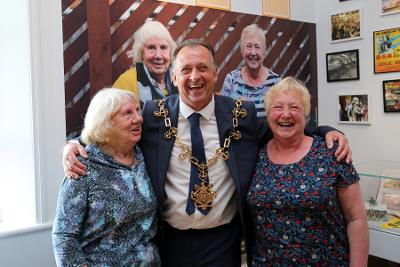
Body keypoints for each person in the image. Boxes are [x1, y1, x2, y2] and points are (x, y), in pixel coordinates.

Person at [63, 39, 352, 267]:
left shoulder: (242, 115)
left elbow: (284, 128)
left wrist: (325, 130)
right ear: (174, 77)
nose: (194, 76)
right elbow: (109, 129)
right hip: (169, 242)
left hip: (224, 242)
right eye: (186, 70)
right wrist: (73, 144)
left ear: (215, 73)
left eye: (202, 68)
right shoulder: (153, 115)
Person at [247, 77, 368, 266]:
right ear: (268, 115)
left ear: (306, 115)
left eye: (295, 108)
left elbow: (356, 219)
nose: (285, 114)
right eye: (278, 107)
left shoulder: (332, 153)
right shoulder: (254, 155)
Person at [52, 89, 160, 266]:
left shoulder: (144, 154)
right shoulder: (83, 165)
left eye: (137, 110)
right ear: (106, 122)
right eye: (127, 113)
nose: (139, 119)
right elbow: (64, 237)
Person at [221, 24, 281, 118]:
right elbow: (223, 116)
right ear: (242, 50)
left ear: (264, 51)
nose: (253, 52)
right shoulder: (231, 80)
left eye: (257, 47)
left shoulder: (276, 82)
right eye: (248, 46)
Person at [113, 20, 178, 107]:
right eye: (151, 47)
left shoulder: (180, 78)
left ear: (170, 52)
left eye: (163, 47)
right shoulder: (125, 83)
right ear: (141, 53)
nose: (158, 55)